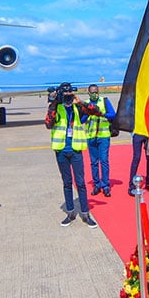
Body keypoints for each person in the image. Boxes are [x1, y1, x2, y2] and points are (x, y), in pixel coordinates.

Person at [45, 82, 98, 228]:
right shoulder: (57, 107)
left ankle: (85, 213)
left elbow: (95, 111)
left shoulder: (77, 107)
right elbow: (48, 123)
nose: (67, 98)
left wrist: (79, 101)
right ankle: (70, 212)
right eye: (65, 95)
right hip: (61, 150)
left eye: (69, 94)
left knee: (80, 183)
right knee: (67, 183)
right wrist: (55, 102)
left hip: (75, 150)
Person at [85, 84, 116, 197]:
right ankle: (96, 184)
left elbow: (113, 114)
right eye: (92, 92)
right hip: (91, 136)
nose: (94, 94)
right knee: (93, 162)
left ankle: (106, 185)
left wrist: (102, 114)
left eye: (96, 92)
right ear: (88, 93)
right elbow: (82, 120)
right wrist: (89, 112)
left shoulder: (104, 101)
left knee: (104, 161)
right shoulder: (86, 103)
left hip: (103, 136)